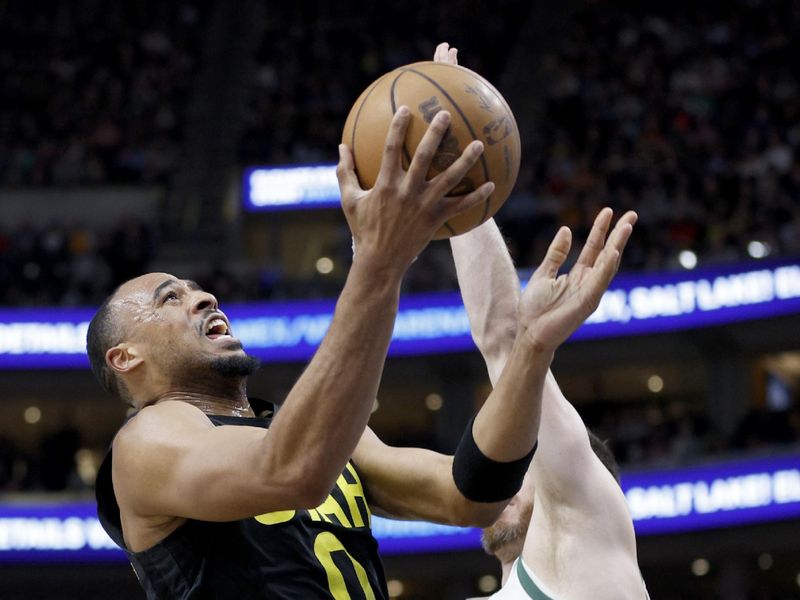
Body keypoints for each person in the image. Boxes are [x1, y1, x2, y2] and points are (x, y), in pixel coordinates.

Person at [88, 46, 633, 597]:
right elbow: (291, 471)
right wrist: (379, 260)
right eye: (169, 298)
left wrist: (530, 354)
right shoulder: (146, 443)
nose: (201, 297)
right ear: (125, 357)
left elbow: (472, 494)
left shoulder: (331, 442)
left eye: (195, 289)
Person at [439, 41, 648, 600]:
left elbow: (504, 341)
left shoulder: (585, 533)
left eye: (518, 463)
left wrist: (458, 179)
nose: (498, 472)